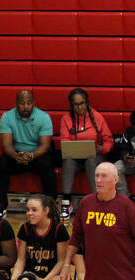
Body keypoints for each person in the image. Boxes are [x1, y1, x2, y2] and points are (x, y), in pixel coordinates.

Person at [58, 88, 127, 220]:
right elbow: (64, 141)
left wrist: (102, 149)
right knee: (68, 162)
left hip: (95, 156)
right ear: (71, 105)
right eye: (76, 105)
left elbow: (108, 141)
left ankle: (98, 199)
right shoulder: (66, 119)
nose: (79, 107)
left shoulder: (97, 117)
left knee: (91, 161)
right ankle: (66, 202)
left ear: (87, 102)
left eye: (82, 103)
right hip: (75, 158)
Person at [0, 90, 57, 217]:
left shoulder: (43, 117)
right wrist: (16, 156)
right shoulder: (7, 117)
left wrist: (31, 155)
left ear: (34, 103)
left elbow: (45, 145)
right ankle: (0, 205)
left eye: (29, 103)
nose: (26, 107)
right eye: (22, 103)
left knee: (47, 164)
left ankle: (50, 206)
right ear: (16, 103)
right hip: (16, 155)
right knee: (1, 163)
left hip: (37, 155)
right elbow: (6, 145)